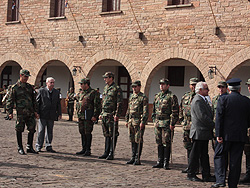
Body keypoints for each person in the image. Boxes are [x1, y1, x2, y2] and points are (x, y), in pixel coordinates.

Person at [211, 78, 250, 188]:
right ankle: (233, 184)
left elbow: (219, 118)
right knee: (235, 161)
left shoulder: (223, 99)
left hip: (225, 135)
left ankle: (220, 180)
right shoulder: (246, 101)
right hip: (240, 135)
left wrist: (218, 134)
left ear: (228, 88)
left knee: (219, 156)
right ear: (240, 88)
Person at [187, 81, 215, 182]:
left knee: (204, 154)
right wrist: (213, 125)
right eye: (206, 88)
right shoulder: (198, 100)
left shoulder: (203, 99)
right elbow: (202, 117)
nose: (208, 90)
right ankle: (191, 173)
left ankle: (206, 174)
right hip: (199, 132)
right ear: (200, 90)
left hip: (203, 132)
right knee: (195, 155)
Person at [6, 69, 39, 155]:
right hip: (21, 112)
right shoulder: (15, 88)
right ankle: (20, 147)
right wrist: (9, 112)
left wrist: (36, 111)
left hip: (30, 112)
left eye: (27, 77)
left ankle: (29, 146)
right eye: (25, 76)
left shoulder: (29, 87)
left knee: (32, 129)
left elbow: (33, 100)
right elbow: (10, 100)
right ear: (21, 76)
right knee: (19, 129)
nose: (26, 78)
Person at [152, 78, 179, 170]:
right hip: (158, 122)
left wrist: (172, 123)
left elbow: (175, 111)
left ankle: (165, 162)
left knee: (166, 142)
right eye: (160, 84)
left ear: (168, 86)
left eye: (163, 84)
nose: (161, 86)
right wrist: (154, 120)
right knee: (159, 141)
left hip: (167, 122)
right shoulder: (157, 96)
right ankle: (159, 161)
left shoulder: (171, 97)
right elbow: (154, 110)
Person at [98, 72, 123, 160]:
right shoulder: (106, 88)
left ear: (111, 78)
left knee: (113, 134)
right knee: (106, 134)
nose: (105, 79)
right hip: (105, 114)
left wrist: (117, 114)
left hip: (112, 115)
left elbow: (119, 103)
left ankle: (111, 152)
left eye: (106, 77)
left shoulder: (117, 89)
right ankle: (106, 151)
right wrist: (101, 113)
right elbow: (103, 101)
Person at [125, 80, 148, 165]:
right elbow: (129, 109)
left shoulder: (143, 97)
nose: (134, 88)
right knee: (132, 139)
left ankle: (137, 158)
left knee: (138, 139)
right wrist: (127, 119)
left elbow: (145, 111)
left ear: (139, 87)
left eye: (135, 87)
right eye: (133, 87)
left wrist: (143, 122)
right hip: (131, 120)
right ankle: (133, 156)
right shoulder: (131, 97)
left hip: (138, 121)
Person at [75, 78, 101, 156]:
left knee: (88, 132)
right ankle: (83, 148)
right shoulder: (81, 92)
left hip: (88, 116)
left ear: (86, 84)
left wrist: (95, 116)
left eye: (82, 84)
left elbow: (97, 105)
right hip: (81, 116)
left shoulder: (93, 93)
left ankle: (88, 149)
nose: (80, 85)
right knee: (82, 132)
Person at [35, 77, 62, 153]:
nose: (52, 84)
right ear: (47, 83)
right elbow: (37, 102)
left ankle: (48, 145)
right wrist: (37, 112)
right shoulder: (41, 91)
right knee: (41, 130)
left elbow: (58, 104)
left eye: (53, 83)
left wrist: (59, 113)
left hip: (52, 114)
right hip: (43, 114)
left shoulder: (56, 92)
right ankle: (38, 145)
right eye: (51, 82)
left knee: (50, 131)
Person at [179, 77, 198, 173]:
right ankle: (190, 166)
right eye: (192, 85)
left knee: (196, 147)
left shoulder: (200, 96)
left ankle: (196, 167)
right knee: (188, 146)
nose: (193, 86)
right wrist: (182, 121)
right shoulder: (185, 96)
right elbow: (181, 109)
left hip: (196, 126)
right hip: (186, 125)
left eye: (195, 85)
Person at [211, 81, 228, 150]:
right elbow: (212, 112)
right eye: (219, 87)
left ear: (226, 88)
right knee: (215, 149)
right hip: (215, 128)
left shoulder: (228, 98)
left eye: (223, 87)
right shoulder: (215, 99)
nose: (221, 89)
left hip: (225, 128)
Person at [240, 78, 250, 184]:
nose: (249, 88)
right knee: (248, 154)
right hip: (247, 133)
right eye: (248, 86)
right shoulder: (246, 100)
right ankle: (248, 174)